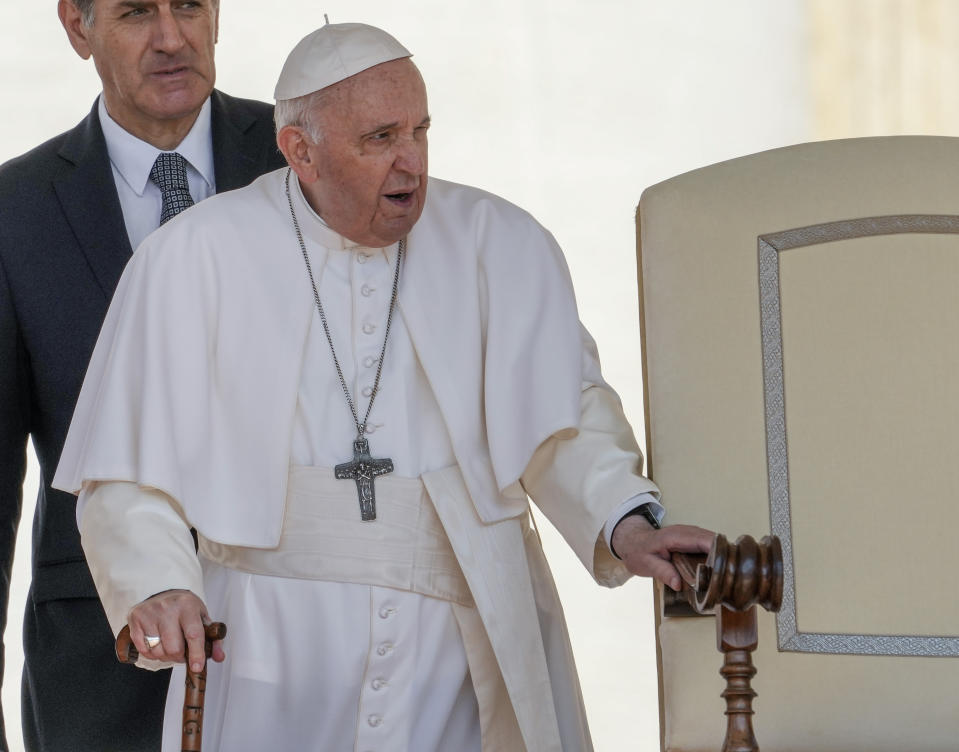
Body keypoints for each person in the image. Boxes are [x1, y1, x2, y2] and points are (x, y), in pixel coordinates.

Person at [54, 21, 714, 752]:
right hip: (274, 647)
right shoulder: (192, 257)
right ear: (300, 151)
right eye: (378, 139)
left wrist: (626, 525)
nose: (410, 162)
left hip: (461, 647)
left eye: (419, 131)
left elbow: (563, 420)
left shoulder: (501, 243)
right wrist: (158, 583)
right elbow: (125, 471)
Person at [0, 0, 285, 749]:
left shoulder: (306, 155)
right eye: (134, 12)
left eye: (188, 6)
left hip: (299, 638)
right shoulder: (14, 211)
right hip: (97, 657)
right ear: (76, 26)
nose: (171, 38)